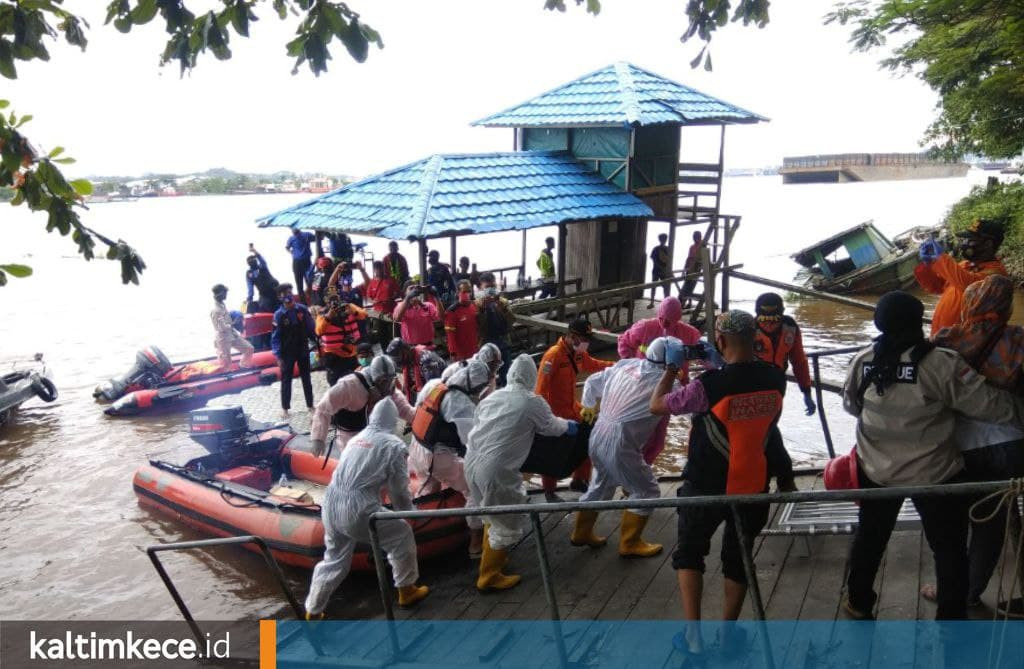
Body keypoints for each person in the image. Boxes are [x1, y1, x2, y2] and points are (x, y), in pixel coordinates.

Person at [840, 290, 1024, 621]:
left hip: (877, 470)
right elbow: (987, 405)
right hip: (934, 473)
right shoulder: (939, 363)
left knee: (870, 538)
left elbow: (852, 405)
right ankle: (951, 615)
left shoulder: (862, 360)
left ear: (879, 323)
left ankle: (858, 602)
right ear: (918, 321)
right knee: (948, 548)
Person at [649, 311, 785, 655]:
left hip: (705, 487)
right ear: (755, 338)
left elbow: (657, 405)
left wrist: (670, 369)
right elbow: (752, 415)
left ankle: (694, 638)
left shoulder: (707, 387)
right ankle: (727, 636)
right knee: (738, 559)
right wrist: (718, 367)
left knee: (690, 553)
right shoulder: (776, 378)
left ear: (720, 341)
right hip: (752, 484)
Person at [918, 275, 1024, 613]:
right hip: (1011, 442)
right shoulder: (1019, 341)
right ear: (1005, 307)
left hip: (956, 446)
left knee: (957, 525)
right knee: (996, 521)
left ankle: (957, 588)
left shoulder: (947, 339)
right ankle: (973, 590)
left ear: (970, 304)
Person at [304, 399, 430, 618]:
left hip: (331, 502)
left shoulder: (356, 439)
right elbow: (399, 489)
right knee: (401, 536)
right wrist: (407, 513)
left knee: (333, 559)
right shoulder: (393, 445)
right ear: (393, 421)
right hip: (359, 508)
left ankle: (313, 611)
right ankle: (407, 590)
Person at [465, 354, 576, 590]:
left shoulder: (492, 396)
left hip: (471, 462)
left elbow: (478, 422)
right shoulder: (530, 401)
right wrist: (570, 426)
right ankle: (489, 576)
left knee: (490, 514)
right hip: (495, 469)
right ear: (531, 376)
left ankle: (495, 558)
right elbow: (551, 427)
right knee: (505, 519)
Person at [570, 337, 682, 557]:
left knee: (600, 485)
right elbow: (688, 404)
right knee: (647, 490)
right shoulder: (670, 385)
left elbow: (592, 381)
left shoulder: (627, 364)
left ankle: (580, 533)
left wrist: (589, 408)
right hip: (621, 442)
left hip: (598, 432)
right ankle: (630, 543)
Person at [408, 361, 492, 556]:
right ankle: (476, 542)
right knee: (474, 488)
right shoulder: (459, 402)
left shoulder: (436, 386)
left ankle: (426, 531)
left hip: (417, 449)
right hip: (435, 457)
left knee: (429, 490)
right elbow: (472, 441)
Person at [535, 316, 614, 501]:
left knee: (589, 439)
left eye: (588, 340)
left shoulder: (578, 353)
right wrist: (545, 420)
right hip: (555, 413)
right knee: (553, 453)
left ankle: (579, 479)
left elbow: (594, 364)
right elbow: (540, 390)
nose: (586, 343)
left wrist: (618, 366)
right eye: (583, 339)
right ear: (571, 336)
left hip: (572, 407)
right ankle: (549, 491)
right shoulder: (552, 356)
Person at [617, 296, 702, 465]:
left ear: (678, 319)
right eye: (661, 319)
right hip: (643, 389)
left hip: (669, 391)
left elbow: (703, 352)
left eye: (669, 321)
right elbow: (624, 342)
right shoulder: (644, 327)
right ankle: (634, 472)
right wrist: (633, 365)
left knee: (658, 441)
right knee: (641, 436)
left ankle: (642, 469)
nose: (664, 324)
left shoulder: (689, 333)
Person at [753, 292, 813, 492]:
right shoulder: (748, 329)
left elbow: (799, 361)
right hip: (751, 384)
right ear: (757, 316)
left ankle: (776, 478)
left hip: (777, 385)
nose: (769, 324)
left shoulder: (790, 328)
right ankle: (782, 478)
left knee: (767, 431)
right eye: (764, 318)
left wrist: (806, 392)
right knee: (763, 432)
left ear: (782, 314)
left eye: (774, 318)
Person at [915, 218, 1008, 335]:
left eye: (970, 240)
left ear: (988, 244)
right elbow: (938, 287)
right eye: (964, 239)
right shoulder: (964, 265)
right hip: (942, 336)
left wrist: (941, 259)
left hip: (963, 343)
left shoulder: (996, 274)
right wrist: (927, 265)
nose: (965, 243)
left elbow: (969, 285)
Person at [310, 355, 414, 457]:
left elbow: (406, 410)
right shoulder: (350, 386)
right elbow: (323, 408)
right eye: (383, 382)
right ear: (374, 379)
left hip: (374, 436)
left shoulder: (390, 391)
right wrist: (318, 438)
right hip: (350, 437)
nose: (386, 385)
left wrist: (422, 419)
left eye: (390, 381)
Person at [272, 283, 317, 418]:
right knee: (286, 380)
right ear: (280, 297)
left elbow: (311, 328)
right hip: (287, 352)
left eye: (290, 293)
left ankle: (310, 405)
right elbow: (275, 337)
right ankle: (285, 409)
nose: (289, 296)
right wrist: (278, 356)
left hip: (303, 349)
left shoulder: (302, 310)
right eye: (285, 294)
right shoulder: (279, 315)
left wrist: (317, 343)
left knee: (306, 378)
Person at [316, 292, 367, 384]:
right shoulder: (322, 313)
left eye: (336, 299)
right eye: (331, 300)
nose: (334, 302)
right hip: (334, 355)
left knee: (357, 382)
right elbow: (318, 330)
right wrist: (328, 317)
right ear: (326, 301)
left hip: (351, 353)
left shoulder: (349, 306)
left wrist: (353, 311)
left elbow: (364, 315)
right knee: (337, 383)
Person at [475, 272, 515, 384]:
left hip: (503, 343)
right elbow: (478, 326)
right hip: (485, 345)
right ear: (480, 288)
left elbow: (512, 321)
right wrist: (482, 310)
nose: (491, 289)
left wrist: (503, 309)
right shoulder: (476, 305)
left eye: (493, 286)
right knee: (485, 378)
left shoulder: (503, 302)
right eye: (487, 287)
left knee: (506, 375)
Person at [210, 284, 254, 370]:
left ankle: (242, 365)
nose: (226, 295)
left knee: (249, 348)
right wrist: (234, 323)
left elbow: (225, 319)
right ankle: (226, 376)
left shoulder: (222, 305)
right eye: (225, 293)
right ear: (219, 294)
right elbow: (221, 328)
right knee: (226, 363)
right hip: (223, 338)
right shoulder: (216, 310)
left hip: (232, 334)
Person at [393, 284, 441, 348]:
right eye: (411, 288)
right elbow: (397, 319)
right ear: (405, 293)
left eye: (416, 288)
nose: (414, 290)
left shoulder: (428, 305)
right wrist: (407, 298)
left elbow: (441, 317)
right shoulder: (400, 306)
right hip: (411, 347)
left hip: (428, 345)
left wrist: (436, 297)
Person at [444, 280, 479, 361]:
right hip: (461, 355)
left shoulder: (474, 306)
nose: (467, 294)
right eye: (464, 291)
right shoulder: (452, 311)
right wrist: (453, 353)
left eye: (469, 291)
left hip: (475, 351)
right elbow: (450, 335)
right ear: (458, 292)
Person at [285, 228, 317, 303]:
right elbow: (287, 247)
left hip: (306, 261)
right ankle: (303, 303)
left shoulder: (307, 235)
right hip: (297, 263)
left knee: (310, 281)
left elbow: (317, 238)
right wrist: (291, 252)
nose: (293, 231)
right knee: (299, 284)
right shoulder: (291, 238)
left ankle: (313, 300)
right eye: (292, 230)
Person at [245, 246, 280, 313]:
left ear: (256, 260)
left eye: (253, 259)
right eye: (250, 260)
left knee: (280, 306)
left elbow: (261, 259)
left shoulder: (262, 266)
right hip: (264, 294)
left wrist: (254, 251)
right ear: (248, 263)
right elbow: (250, 288)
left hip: (275, 290)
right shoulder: (249, 273)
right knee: (263, 309)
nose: (252, 261)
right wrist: (249, 299)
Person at [680, 231, 703, 310]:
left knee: (691, 286)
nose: (695, 238)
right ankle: (688, 303)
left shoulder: (703, 246)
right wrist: (684, 269)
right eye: (694, 237)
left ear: (700, 237)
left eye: (696, 237)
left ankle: (683, 303)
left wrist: (700, 267)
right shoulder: (692, 247)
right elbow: (688, 258)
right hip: (689, 268)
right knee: (687, 285)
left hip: (696, 269)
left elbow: (703, 259)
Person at [649, 233, 672, 308]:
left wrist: (666, 269)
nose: (663, 240)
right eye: (662, 239)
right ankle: (652, 302)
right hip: (657, 270)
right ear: (660, 239)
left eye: (664, 239)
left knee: (665, 287)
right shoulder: (656, 249)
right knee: (654, 286)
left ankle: (665, 304)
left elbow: (669, 260)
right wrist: (661, 267)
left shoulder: (667, 249)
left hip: (662, 271)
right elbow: (654, 259)